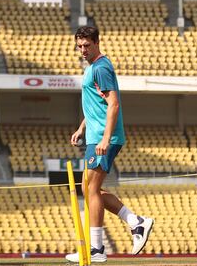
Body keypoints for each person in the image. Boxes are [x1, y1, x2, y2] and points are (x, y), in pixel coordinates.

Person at [65, 26, 153, 263]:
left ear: (97, 43)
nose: (82, 50)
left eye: (87, 45)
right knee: (89, 189)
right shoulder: (92, 68)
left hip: (105, 138)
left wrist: (105, 138)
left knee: (91, 189)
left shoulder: (101, 67)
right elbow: (97, 105)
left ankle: (96, 250)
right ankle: (137, 222)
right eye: (79, 46)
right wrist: (82, 128)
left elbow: (113, 105)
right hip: (94, 135)